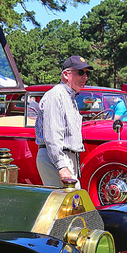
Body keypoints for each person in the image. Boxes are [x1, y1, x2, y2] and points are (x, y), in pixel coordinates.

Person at [35, 55, 91, 187]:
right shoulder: (56, 96)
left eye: (87, 73)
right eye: (80, 72)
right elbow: (52, 135)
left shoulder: (68, 97)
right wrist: (61, 166)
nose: (85, 77)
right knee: (66, 204)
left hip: (63, 157)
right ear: (66, 75)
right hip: (55, 157)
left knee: (69, 204)